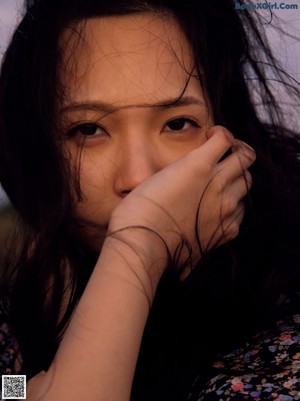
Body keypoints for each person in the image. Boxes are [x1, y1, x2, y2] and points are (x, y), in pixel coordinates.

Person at [0, 0, 299, 400]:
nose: (140, 179)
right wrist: (33, 375)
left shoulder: (278, 345)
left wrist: (140, 244)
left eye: (177, 124)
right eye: (89, 129)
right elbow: (10, 393)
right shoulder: (26, 310)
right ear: (38, 151)